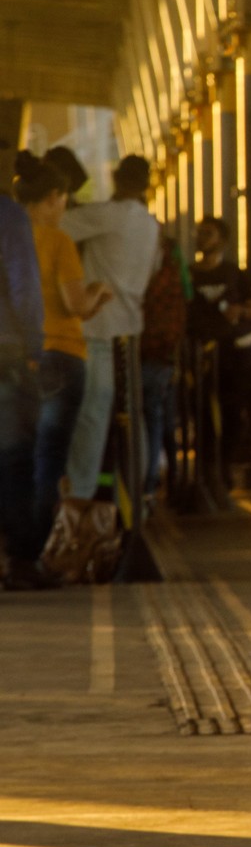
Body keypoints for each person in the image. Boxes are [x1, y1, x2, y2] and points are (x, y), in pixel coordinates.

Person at [14, 151, 112, 558]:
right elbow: (75, 306)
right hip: (62, 355)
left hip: (19, 358)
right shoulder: (58, 241)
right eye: (64, 199)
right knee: (50, 457)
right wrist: (98, 295)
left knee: (18, 454)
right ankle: (36, 550)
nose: (66, 207)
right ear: (53, 197)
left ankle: (14, 548)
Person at [58, 154, 159, 501]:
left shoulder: (109, 216)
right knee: (132, 415)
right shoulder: (149, 224)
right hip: (130, 331)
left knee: (92, 417)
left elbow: (55, 224)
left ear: (117, 178)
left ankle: (79, 498)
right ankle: (139, 492)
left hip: (98, 330)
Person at [188, 217, 251, 482]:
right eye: (199, 233)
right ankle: (205, 471)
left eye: (208, 233)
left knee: (232, 411)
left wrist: (238, 311)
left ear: (222, 241)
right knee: (202, 412)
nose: (201, 238)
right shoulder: (189, 275)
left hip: (233, 356)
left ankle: (224, 466)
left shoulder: (233, 274)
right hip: (200, 354)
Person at [1, 176, 47, 588]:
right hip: (5, 353)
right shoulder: (8, 215)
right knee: (14, 459)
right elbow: (24, 286)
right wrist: (35, 347)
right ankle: (20, 562)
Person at [139, 230, 188, 502]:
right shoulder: (172, 276)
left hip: (138, 351)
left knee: (142, 419)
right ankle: (153, 483)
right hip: (163, 356)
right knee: (157, 418)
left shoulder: (139, 271)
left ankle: (144, 481)